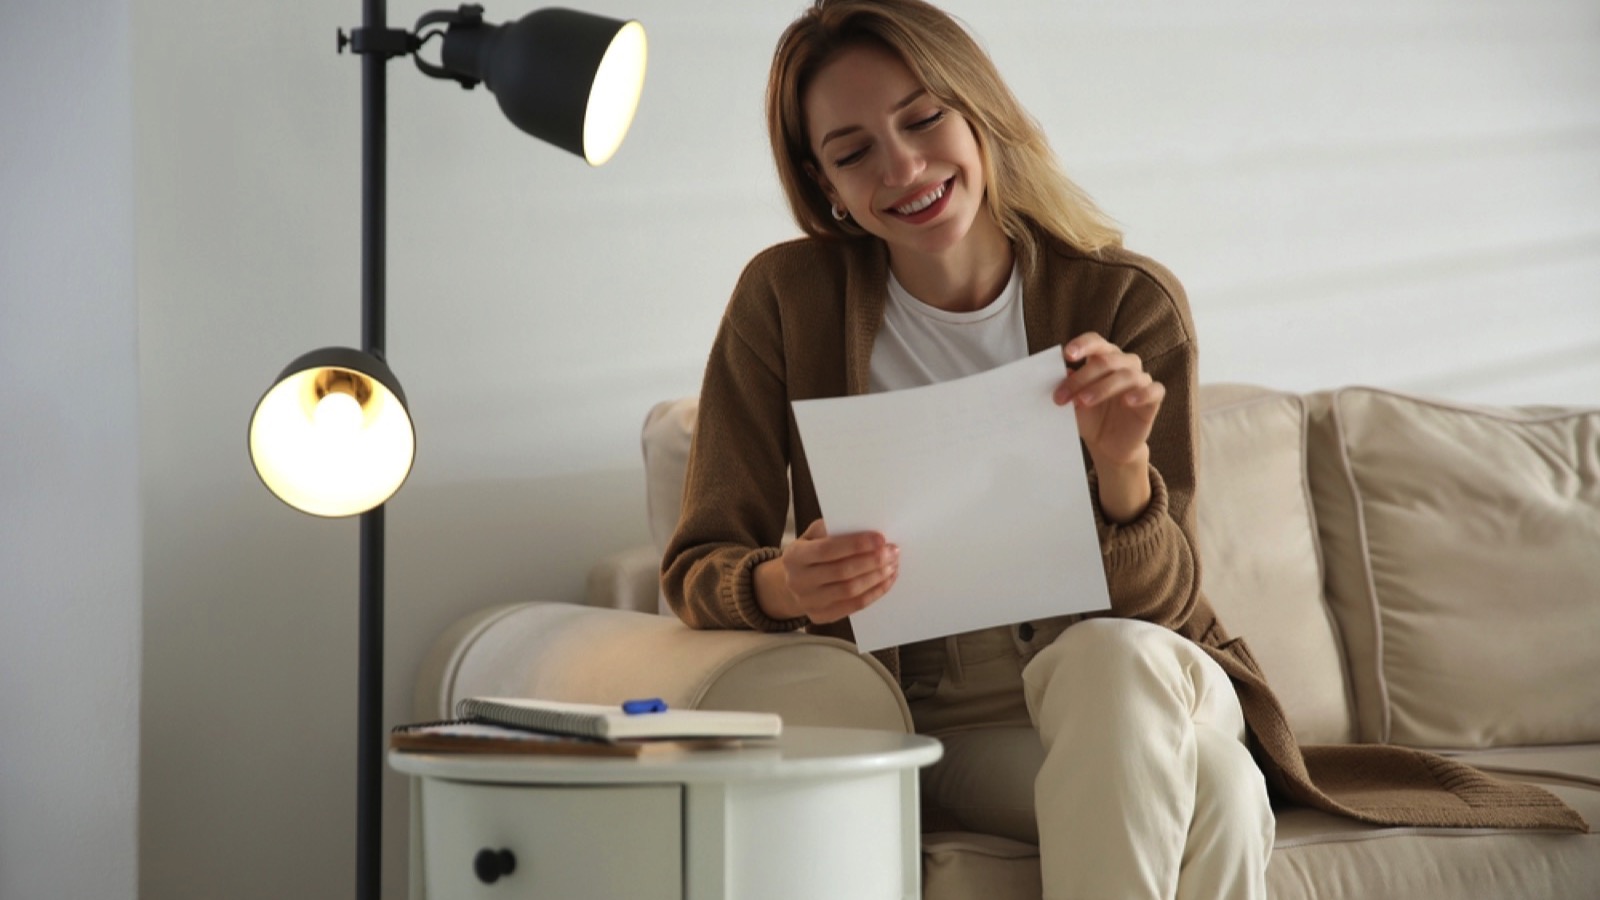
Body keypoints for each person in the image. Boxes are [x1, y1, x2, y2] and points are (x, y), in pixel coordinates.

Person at [662, 2, 1586, 898]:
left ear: (979, 114)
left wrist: (1120, 470)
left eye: (923, 118)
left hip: (1158, 669)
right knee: (1218, 795)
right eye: (853, 151)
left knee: (1114, 660)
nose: (901, 166)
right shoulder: (787, 300)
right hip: (951, 714)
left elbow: (1166, 604)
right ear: (825, 186)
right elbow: (699, 564)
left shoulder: (1125, 303)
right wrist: (784, 584)